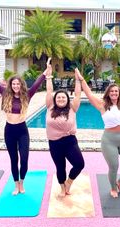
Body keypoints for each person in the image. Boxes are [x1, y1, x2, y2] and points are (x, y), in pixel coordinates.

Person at [0, 58, 50, 195]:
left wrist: (46, 71)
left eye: (18, 84)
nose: (16, 86)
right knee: (14, 159)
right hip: (9, 130)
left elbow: (38, 83)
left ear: (21, 85)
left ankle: (22, 182)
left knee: (24, 158)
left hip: (22, 130)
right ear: (11, 85)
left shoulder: (27, 95)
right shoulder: (5, 94)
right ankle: (16, 185)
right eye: (14, 84)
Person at [77, 61, 120, 198]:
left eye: (116, 91)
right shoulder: (102, 105)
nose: (114, 93)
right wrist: (81, 79)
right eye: (112, 91)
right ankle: (113, 188)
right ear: (108, 93)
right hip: (109, 141)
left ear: (119, 93)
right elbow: (88, 93)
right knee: (114, 166)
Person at [46, 66, 85, 197]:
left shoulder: (72, 108)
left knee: (79, 164)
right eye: (59, 98)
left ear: (67, 99)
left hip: (70, 141)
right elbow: (49, 90)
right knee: (60, 167)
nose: (61, 99)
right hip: (54, 144)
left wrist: (78, 80)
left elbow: (78, 94)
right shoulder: (50, 107)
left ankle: (69, 182)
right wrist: (49, 76)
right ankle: (62, 188)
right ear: (55, 100)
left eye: (63, 97)